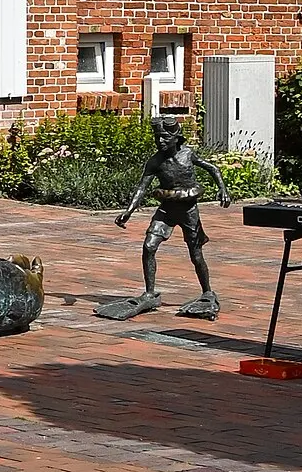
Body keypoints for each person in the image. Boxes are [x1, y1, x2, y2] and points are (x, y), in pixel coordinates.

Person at [97, 98, 232, 322]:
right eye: (157, 138)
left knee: (196, 254)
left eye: (165, 138)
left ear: (176, 138)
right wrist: (128, 211)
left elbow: (213, 169)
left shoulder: (188, 154)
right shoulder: (155, 161)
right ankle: (150, 292)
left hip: (189, 210)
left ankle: (207, 291)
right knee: (149, 246)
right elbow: (142, 188)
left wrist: (223, 190)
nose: (160, 141)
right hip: (166, 210)